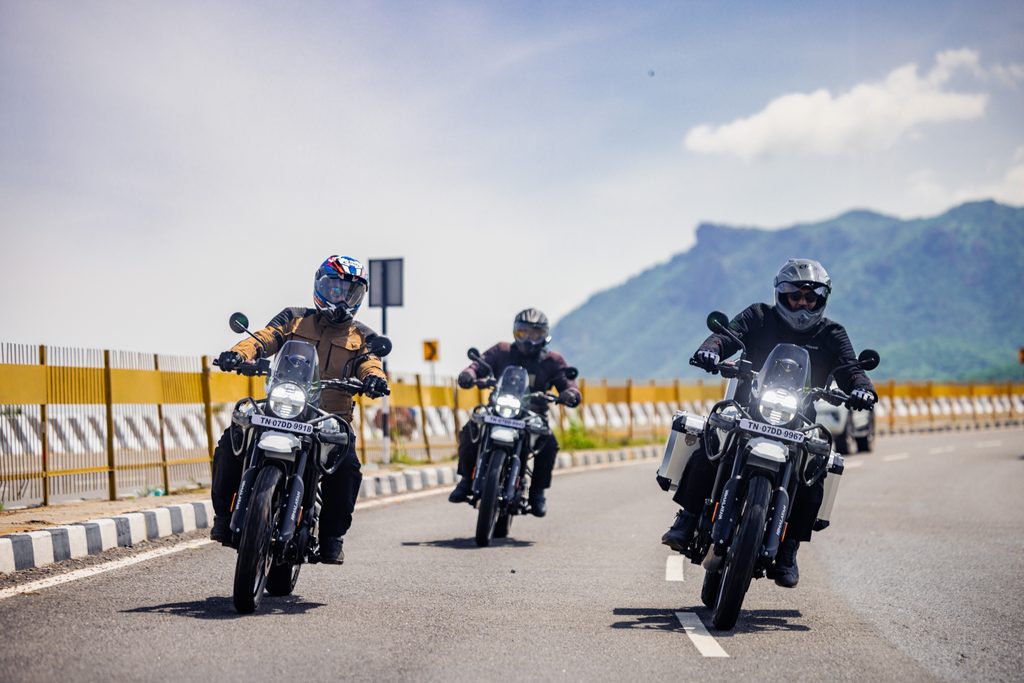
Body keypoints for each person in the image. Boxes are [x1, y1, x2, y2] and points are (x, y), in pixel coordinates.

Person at [661, 259, 877, 587]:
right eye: (795, 296)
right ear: (782, 294)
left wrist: (863, 389)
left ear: (822, 298)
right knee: (713, 438)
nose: (802, 303)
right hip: (747, 407)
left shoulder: (832, 334)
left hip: (798, 419)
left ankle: (789, 549)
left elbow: (851, 368)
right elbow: (727, 336)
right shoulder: (759, 316)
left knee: (814, 468)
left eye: (810, 297)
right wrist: (710, 350)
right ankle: (687, 517)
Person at [210, 255, 389, 564]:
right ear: (320, 286)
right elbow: (265, 338)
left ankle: (332, 537)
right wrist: (238, 354)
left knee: (347, 468)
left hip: (328, 420)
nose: (341, 297)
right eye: (334, 288)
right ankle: (224, 518)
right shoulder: (293, 318)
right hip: (283, 406)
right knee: (231, 441)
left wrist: (374, 378)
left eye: (349, 292)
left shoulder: (363, 337)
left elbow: (370, 362)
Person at [448, 308, 581, 517]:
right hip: (498, 410)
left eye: (535, 334)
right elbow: (478, 365)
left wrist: (571, 393)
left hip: (533, 415)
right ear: (515, 332)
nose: (528, 339)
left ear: (545, 335)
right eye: (523, 332)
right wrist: (469, 374)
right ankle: (466, 480)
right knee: (470, 429)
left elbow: (568, 383)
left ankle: (537, 493)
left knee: (549, 444)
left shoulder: (552, 360)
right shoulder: (501, 351)